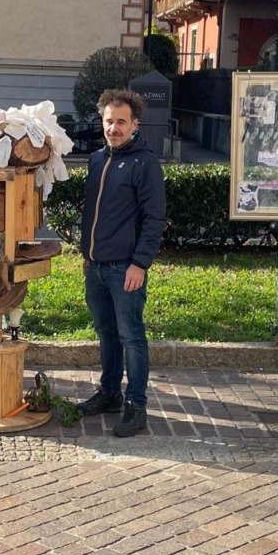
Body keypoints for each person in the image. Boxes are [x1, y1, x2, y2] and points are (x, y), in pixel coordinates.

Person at [76, 88, 166, 438]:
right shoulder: (97, 159)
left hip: (125, 268)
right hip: (96, 267)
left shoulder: (145, 163)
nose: (114, 128)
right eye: (109, 121)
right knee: (106, 333)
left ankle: (136, 405)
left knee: (132, 337)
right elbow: (93, 213)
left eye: (121, 122)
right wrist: (87, 255)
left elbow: (154, 218)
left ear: (135, 124)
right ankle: (110, 393)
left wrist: (140, 264)